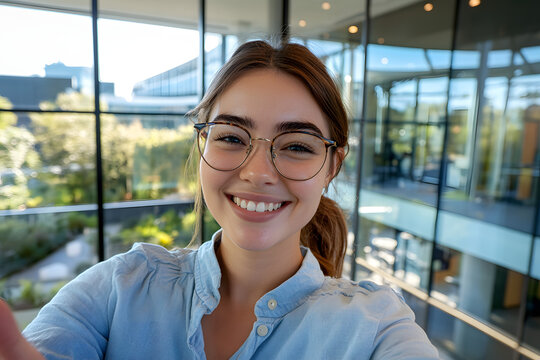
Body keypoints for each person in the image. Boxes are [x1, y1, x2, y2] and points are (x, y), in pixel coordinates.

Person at [0, 40, 439, 360]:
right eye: (231, 137)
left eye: (297, 146)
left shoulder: (376, 328)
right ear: (202, 148)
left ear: (332, 167)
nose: (258, 172)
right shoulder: (120, 288)